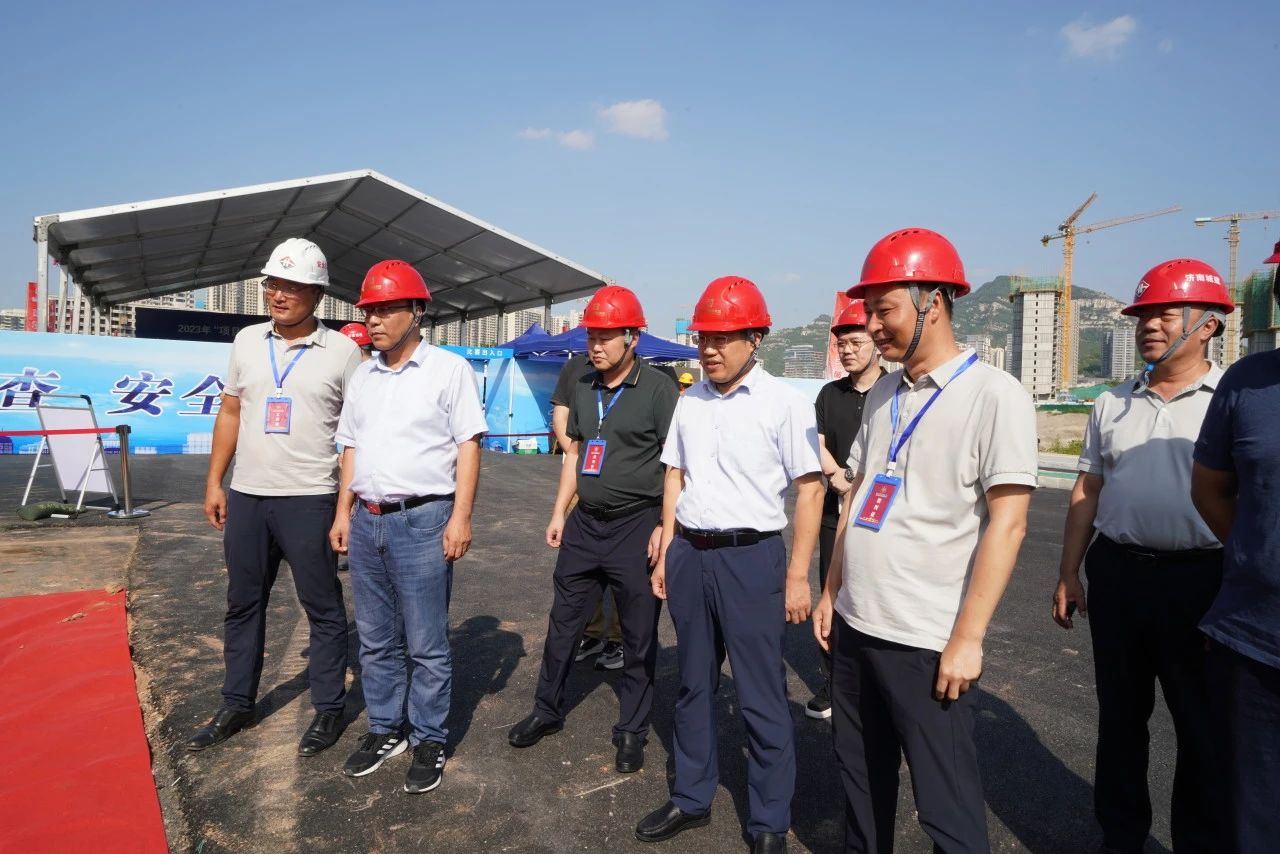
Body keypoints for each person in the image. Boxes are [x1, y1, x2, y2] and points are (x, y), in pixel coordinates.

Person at [812, 228, 1037, 853]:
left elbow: (1009, 524)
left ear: (932, 302)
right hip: (857, 626)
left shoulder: (994, 396)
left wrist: (968, 639)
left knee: (946, 805)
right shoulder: (885, 393)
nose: (873, 326)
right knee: (861, 783)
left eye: (884, 310)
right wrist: (831, 591)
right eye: (869, 311)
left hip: (926, 640)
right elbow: (857, 497)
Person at [636, 276, 824, 854]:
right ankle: (691, 797)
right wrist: (668, 547)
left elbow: (811, 489)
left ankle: (768, 821)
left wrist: (798, 576)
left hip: (752, 558)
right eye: (703, 338)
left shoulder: (785, 404)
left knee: (760, 693)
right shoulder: (689, 400)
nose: (710, 349)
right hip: (690, 553)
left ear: (755, 338)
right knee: (693, 685)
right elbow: (675, 475)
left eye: (723, 338)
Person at [1052, 258, 1231, 853]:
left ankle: (1198, 842)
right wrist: (1069, 572)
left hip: (1203, 580)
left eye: (1165, 314)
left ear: (1208, 324)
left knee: (1201, 727)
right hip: (1120, 575)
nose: (1149, 326)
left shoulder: (1230, 400)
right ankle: (1121, 837)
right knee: (1121, 719)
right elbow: (1087, 488)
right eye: (1142, 316)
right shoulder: (1112, 402)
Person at [187, 237, 361, 757]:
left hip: (310, 499)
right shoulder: (246, 341)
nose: (279, 294)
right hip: (248, 497)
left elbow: (358, 435)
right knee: (242, 604)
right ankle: (236, 703)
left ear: (318, 294)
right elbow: (231, 412)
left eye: (292, 286)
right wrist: (215, 482)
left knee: (323, 607)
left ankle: (328, 708)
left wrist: (345, 508)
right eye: (273, 284)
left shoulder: (343, 352)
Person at [329, 260, 487, 794]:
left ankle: (429, 737)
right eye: (368, 311)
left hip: (423, 520)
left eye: (386, 309)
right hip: (368, 520)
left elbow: (469, 445)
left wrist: (461, 516)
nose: (373, 320)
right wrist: (343, 512)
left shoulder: (448, 370)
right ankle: (384, 729)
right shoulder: (364, 376)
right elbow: (351, 447)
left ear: (417, 311)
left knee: (425, 643)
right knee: (375, 641)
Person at [508, 285, 677, 775]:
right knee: (563, 623)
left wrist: (665, 527)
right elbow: (577, 454)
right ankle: (546, 710)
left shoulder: (659, 388)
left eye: (605, 337)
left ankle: (631, 730)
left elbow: (676, 467)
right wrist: (559, 512)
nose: (595, 346)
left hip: (636, 525)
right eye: (591, 336)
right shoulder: (583, 382)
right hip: (585, 524)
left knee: (638, 636)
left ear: (632, 338)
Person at [1191, 242, 1280, 852]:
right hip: (1255, 641)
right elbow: (1211, 488)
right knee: (1253, 814)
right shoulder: (1248, 382)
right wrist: (1255, 555)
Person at [806, 299, 883, 720]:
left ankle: (874, 684)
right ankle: (834, 681)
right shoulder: (828, 394)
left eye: (856, 343)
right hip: (833, 512)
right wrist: (836, 474)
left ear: (876, 343)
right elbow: (815, 441)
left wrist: (856, 479)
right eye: (842, 345)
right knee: (830, 593)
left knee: (873, 595)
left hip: (879, 517)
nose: (848, 351)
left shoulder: (892, 392)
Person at [550, 352, 624, 669]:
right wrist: (578, 454)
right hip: (580, 474)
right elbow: (561, 417)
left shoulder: (640, 371)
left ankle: (618, 638)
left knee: (622, 566)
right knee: (580, 564)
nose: (597, 342)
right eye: (592, 333)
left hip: (620, 483)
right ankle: (591, 632)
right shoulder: (574, 367)